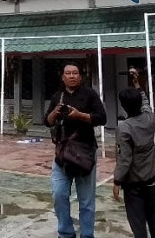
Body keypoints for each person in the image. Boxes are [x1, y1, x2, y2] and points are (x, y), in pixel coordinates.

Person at [44, 63, 107, 238]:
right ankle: (65, 232)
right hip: (63, 154)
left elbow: (102, 118)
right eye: (68, 73)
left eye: (75, 73)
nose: (71, 76)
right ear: (63, 77)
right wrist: (55, 113)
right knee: (58, 194)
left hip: (85, 152)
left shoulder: (90, 95)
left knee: (86, 200)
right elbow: (47, 122)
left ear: (80, 76)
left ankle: (87, 235)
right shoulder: (58, 96)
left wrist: (80, 115)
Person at [113, 69, 155, 238]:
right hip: (151, 177)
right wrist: (137, 83)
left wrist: (117, 180)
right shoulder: (149, 118)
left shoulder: (124, 127)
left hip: (134, 182)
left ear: (123, 105)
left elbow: (125, 159)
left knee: (138, 222)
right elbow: (145, 102)